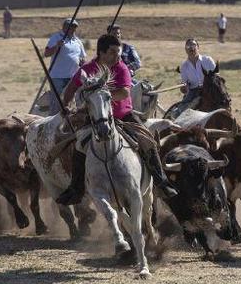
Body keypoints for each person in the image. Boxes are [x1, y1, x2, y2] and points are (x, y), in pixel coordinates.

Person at [55, 34, 177, 206]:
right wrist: (66, 105)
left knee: (147, 140)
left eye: (118, 52)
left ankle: (161, 182)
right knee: (78, 146)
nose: (117, 56)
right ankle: (76, 189)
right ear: (101, 53)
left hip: (123, 115)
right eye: (112, 52)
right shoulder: (87, 69)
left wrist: (100, 98)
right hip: (95, 118)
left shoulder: (121, 67)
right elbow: (71, 88)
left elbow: (124, 92)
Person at [43, 18, 86, 109]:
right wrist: (57, 46)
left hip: (73, 78)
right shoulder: (56, 37)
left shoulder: (77, 41)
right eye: (70, 27)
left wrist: (82, 64)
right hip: (57, 77)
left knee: (70, 104)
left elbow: (82, 58)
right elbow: (46, 53)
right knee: (57, 103)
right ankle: (53, 121)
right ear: (64, 27)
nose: (73, 29)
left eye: (74, 27)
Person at [172, 38, 216, 117]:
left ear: (198, 47)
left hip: (210, 90)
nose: (191, 48)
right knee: (179, 112)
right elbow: (185, 86)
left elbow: (217, 78)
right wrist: (184, 87)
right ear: (185, 50)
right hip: (194, 92)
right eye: (188, 46)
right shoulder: (184, 66)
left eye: (193, 45)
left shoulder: (208, 60)